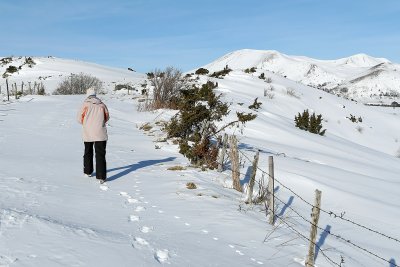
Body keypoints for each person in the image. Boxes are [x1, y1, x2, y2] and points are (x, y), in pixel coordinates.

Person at [77, 87, 110, 183]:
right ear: (95, 95)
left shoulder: (85, 105)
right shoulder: (102, 105)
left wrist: (87, 123)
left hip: (88, 131)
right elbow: (107, 117)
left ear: (87, 95)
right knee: (100, 154)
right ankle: (101, 177)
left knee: (88, 152)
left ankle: (88, 171)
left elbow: (79, 119)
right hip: (100, 132)